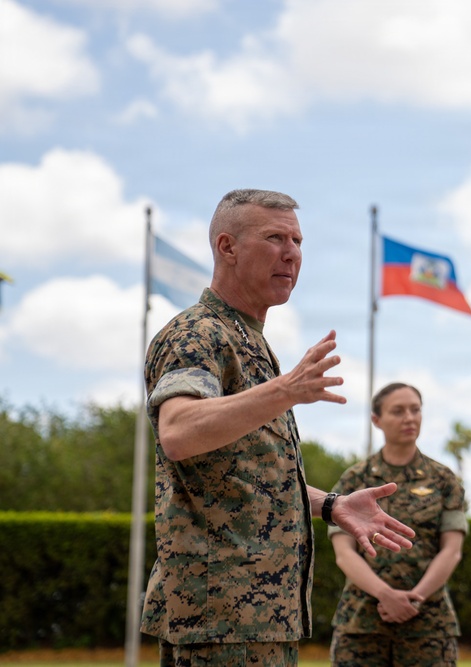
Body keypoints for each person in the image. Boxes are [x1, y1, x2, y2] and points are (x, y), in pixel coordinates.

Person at [141, 189, 415, 666]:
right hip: (217, 619)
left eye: (297, 240)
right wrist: (285, 391)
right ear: (227, 247)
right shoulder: (199, 333)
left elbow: (246, 474)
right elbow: (179, 433)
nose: (292, 253)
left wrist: (329, 505)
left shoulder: (251, 342)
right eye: (274, 238)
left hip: (259, 618)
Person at [327, 382, 467, 666]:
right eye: (398, 411)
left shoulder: (443, 479)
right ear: (376, 420)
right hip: (362, 623)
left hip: (428, 623)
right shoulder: (355, 480)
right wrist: (385, 595)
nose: (409, 418)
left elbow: (451, 551)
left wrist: (414, 599)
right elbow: (344, 553)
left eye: (415, 410)